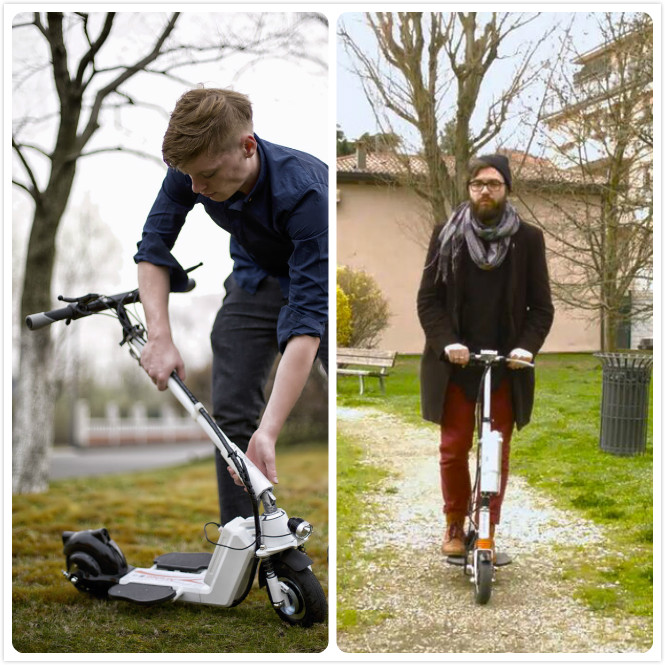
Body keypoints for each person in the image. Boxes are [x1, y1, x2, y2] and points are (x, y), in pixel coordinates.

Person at [134, 88, 328, 525]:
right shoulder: (191, 172)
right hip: (252, 280)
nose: (197, 189)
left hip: (312, 280)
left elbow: (306, 320)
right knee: (232, 409)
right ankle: (240, 539)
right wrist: (160, 339)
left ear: (247, 147)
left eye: (207, 175)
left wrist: (272, 428)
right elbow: (153, 247)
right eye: (189, 178)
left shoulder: (307, 193)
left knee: (339, 390)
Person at [417, 154, 554, 557]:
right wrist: (447, 343)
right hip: (457, 363)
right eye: (478, 184)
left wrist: (525, 347)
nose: (485, 191)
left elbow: (541, 307)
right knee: (455, 447)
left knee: (496, 446)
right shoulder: (447, 234)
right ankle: (455, 524)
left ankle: (489, 526)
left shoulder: (528, 240)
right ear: (469, 189)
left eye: (494, 184)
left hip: (506, 365)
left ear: (507, 189)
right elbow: (428, 301)